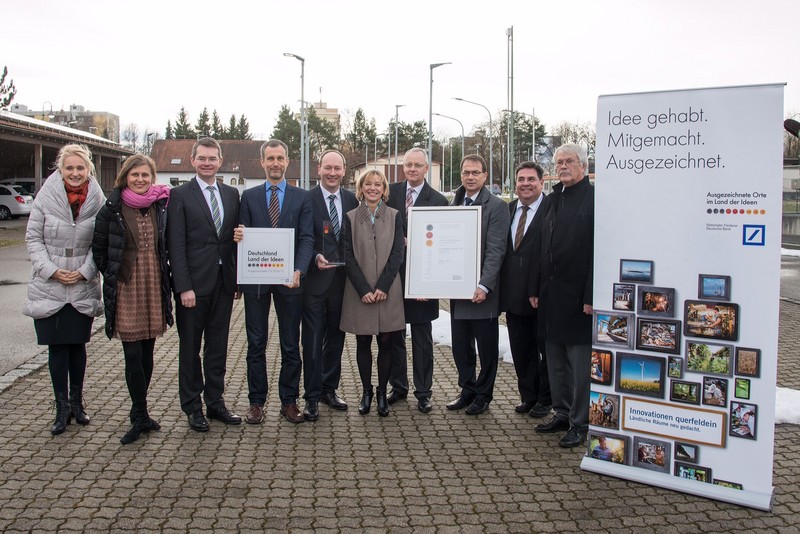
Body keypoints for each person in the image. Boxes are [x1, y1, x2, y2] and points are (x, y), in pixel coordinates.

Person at [24, 143, 105, 435]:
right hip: (50, 286)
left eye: (80, 168)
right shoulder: (46, 197)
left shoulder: (97, 198)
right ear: (61, 169)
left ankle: (77, 403)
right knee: (57, 349)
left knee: (77, 347)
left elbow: (102, 240)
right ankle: (61, 408)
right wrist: (52, 270)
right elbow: (33, 238)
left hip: (82, 285)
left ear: (88, 170)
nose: (74, 173)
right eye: (69, 168)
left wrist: (85, 271)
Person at [93, 154, 173, 444]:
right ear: (124, 177)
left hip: (153, 284)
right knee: (133, 355)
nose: (140, 180)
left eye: (145, 175)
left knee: (148, 353)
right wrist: (115, 275)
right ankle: (139, 414)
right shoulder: (112, 209)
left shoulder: (160, 205)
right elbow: (99, 250)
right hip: (128, 287)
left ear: (152, 177)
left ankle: (140, 411)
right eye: (134, 175)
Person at [235, 139, 314, 424]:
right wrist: (239, 236)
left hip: (289, 281)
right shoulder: (250, 197)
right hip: (256, 281)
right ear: (262, 162)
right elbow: (242, 236)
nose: (276, 163)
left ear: (287, 161)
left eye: (280, 158)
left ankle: (289, 401)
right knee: (256, 343)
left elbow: (307, 238)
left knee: (290, 343)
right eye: (270, 158)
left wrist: (299, 270)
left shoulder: (301, 198)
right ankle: (256, 402)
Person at [167, 137, 241, 432]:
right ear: (193, 161)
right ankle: (192, 406)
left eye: (213, 158)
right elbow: (176, 244)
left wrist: (236, 280)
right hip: (193, 288)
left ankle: (215, 401)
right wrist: (183, 286)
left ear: (221, 161)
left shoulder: (231, 194)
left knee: (218, 347)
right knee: (190, 348)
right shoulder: (180, 195)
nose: (208, 163)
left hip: (223, 284)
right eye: (202, 158)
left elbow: (232, 240)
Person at [531, 143, 594, 448]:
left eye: (569, 161)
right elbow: (540, 246)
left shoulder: (595, 200)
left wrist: (591, 294)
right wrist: (535, 288)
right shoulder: (553, 198)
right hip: (551, 294)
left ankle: (580, 422)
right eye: (559, 162)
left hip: (580, 296)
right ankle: (561, 412)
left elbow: (599, 251)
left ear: (583, 165)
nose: (564, 167)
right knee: (554, 360)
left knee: (579, 364)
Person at [386, 147, 448, 413]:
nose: (412, 169)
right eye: (408, 165)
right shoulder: (391, 193)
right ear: (404, 167)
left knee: (422, 338)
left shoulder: (439, 200)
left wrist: (431, 284)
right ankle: (398, 387)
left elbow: (443, 243)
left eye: (417, 165)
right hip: (393, 277)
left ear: (426, 169)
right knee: (394, 336)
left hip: (424, 278)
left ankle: (424, 392)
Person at [447, 154, 510, 415]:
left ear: (485, 176)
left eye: (475, 172)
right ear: (460, 175)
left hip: (481, 292)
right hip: (456, 290)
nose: (470, 177)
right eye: (466, 172)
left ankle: (483, 395)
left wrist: (484, 285)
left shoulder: (496, 206)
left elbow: (496, 250)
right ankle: (467, 389)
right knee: (461, 346)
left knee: (485, 348)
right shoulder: (454, 203)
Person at [340, 169, 405, 417]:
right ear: (361, 187)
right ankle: (366, 392)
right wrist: (364, 289)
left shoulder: (395, 216)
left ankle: (381, 394)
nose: (373, 188)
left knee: (387, 342)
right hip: (361, 291)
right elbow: (347, 256)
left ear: (384, 188)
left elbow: (397, 253)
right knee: (363, 341)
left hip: (387, 290)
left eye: (378, 184)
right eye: (368, 184)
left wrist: (382, 286)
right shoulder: (351, 217)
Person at [301, 149, 359, 416]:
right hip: (314, 282)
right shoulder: (305, 200)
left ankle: (328, 389)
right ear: (319, 169)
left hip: (342, 283)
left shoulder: (352, 200)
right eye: (328, 168)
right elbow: (301, 238)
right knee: (312, 340)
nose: (332, 173)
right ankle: (311, 396)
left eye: (337, 168)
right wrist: (314, 257)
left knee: (336, 339)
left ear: (344, 171)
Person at [499, 161, 552, 418]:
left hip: (541, 297)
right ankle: (528, 396)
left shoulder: (552, 210)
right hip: (513, 297)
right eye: (521, 179)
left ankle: (546, 399)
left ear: (541, 183)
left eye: (531, 179)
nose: (526, 184)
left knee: (546, 352)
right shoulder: (508, 210)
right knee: (522, 351)